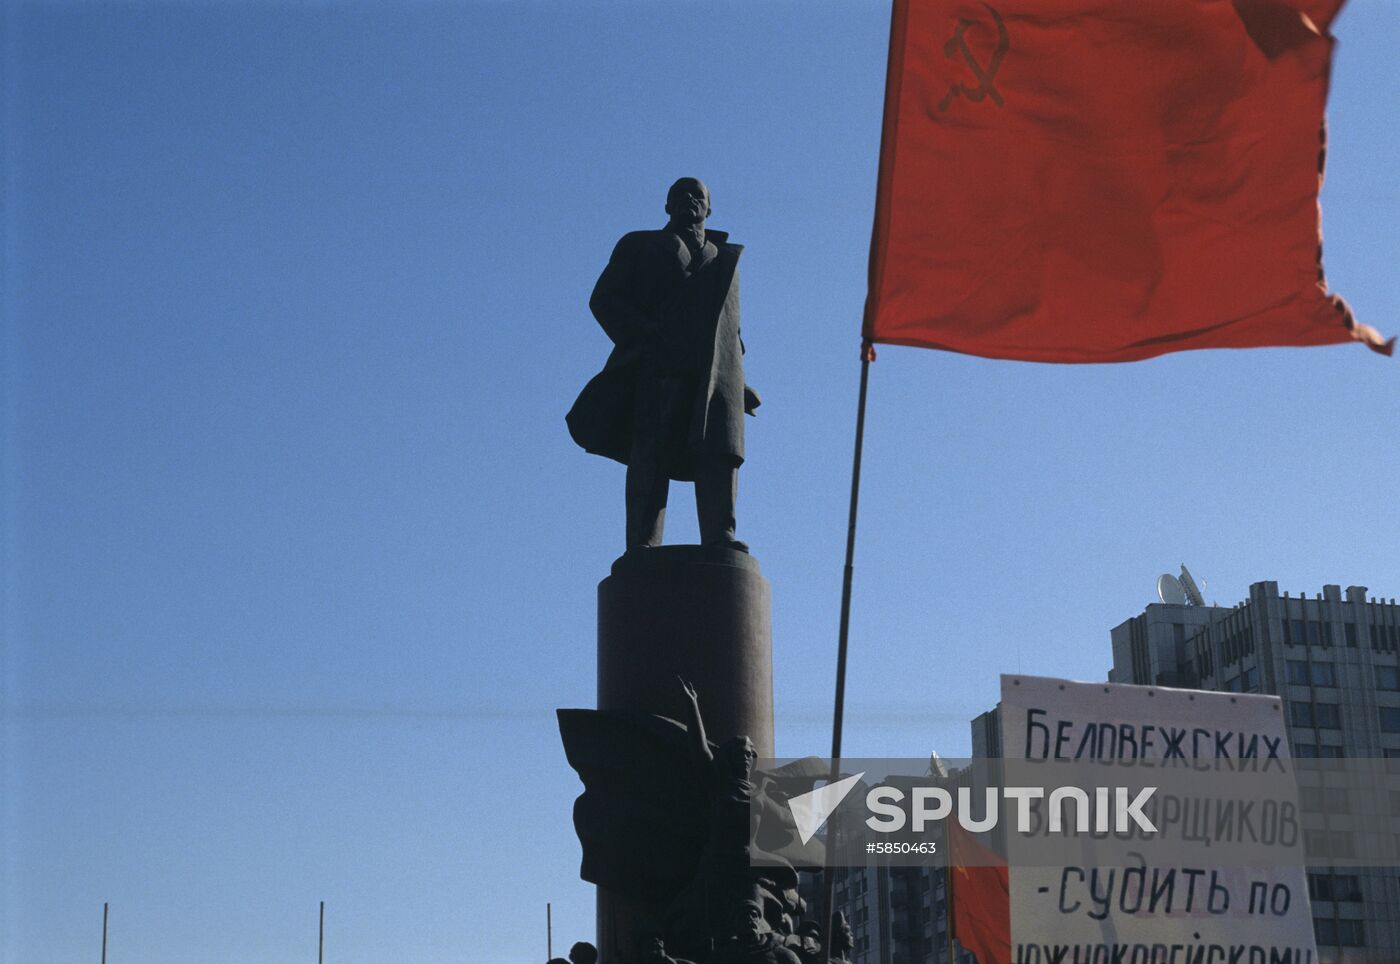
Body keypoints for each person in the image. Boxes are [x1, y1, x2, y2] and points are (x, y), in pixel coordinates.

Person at [567, 177, 759, 552]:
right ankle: (643, 543)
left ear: (709, 209)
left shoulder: (725, 259)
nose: (689, 200)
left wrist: (738, 381)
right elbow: (604, 299)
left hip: (715, 373)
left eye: (697, 196)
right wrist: (646, 334)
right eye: (679, 195)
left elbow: (731, 329)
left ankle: (721, 535)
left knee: (719, 454)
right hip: (658, 367)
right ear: (667, 206)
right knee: (650, 454)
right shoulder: (640, 244)